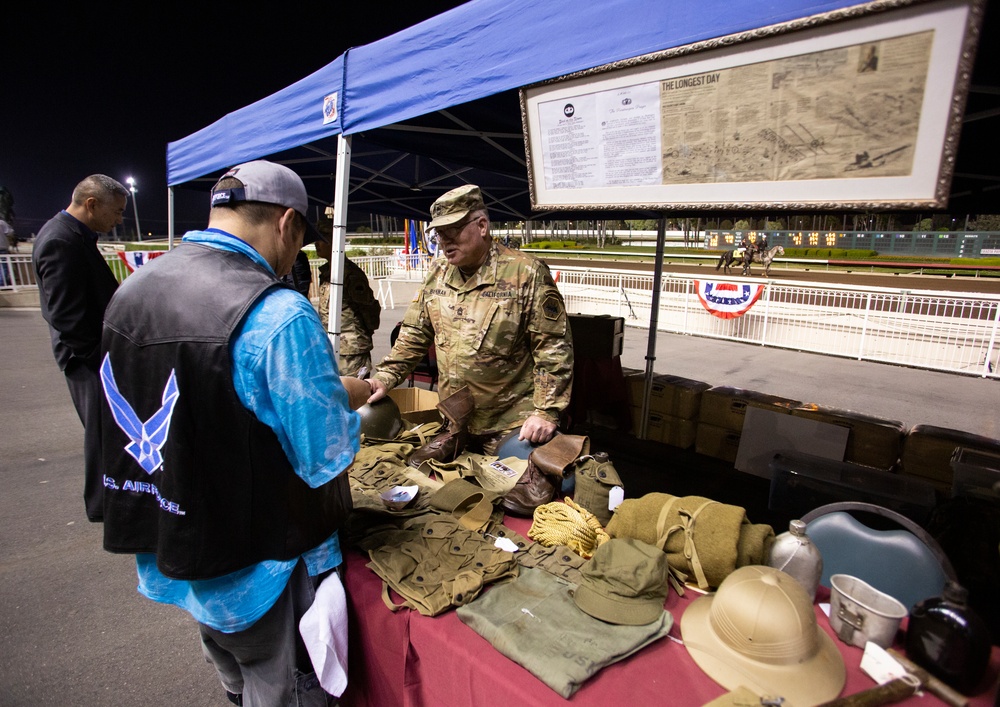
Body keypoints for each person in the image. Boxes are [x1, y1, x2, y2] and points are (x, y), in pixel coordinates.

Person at [98, 160, 362, 706]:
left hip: (177, 550)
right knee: (284, 691)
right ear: (287, 223)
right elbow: (328, 454)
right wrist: (347, 396)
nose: (294, 258)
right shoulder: (278, 312)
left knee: (234, 682)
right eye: (299, 241)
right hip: (262, 568)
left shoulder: (132, 292)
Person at [367, 184, 573, 452]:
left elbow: (553, 350)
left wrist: (546, 412)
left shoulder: (526, 273)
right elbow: (415, 333)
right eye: (439, 233)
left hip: (511, 426)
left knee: (512, 490)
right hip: (453, 422)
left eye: (452, 230)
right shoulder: (438, 272)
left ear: (482, 225)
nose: (444, 241)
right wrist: (385, 376)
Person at [32, 174, 128, 521]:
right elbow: (67, 316)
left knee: (107, 430)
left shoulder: (74, 236)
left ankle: (112, 499)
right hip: (86, 358)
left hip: (91, 354)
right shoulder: (61, 240)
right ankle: (104, 505)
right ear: (91, 204)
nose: (118, 220)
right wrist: (99, 358)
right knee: (102, 434)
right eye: (116, 212)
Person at [314, 234, 380, 377]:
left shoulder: (350, 274)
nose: (316, 244)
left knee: (354, 395)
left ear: (334, 242)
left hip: (351, 352)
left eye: (322, 239)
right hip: (331, 346)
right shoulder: (328, 271)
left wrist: (362, 338)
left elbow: (369, 311)